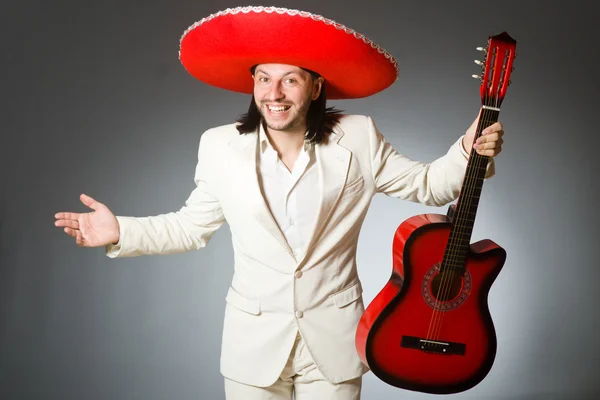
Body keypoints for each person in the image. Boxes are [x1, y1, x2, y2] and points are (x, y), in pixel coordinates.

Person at [54, 6, 504, 400]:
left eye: (290, 80)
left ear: (314, 87)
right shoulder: (218, 147)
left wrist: (469, 149)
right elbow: (191, 227)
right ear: (252, 84)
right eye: (265, 79)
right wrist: (122, 232)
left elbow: (430, 185)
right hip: (254, 344)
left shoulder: (359, 137)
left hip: (336, 340)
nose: (275, 93)